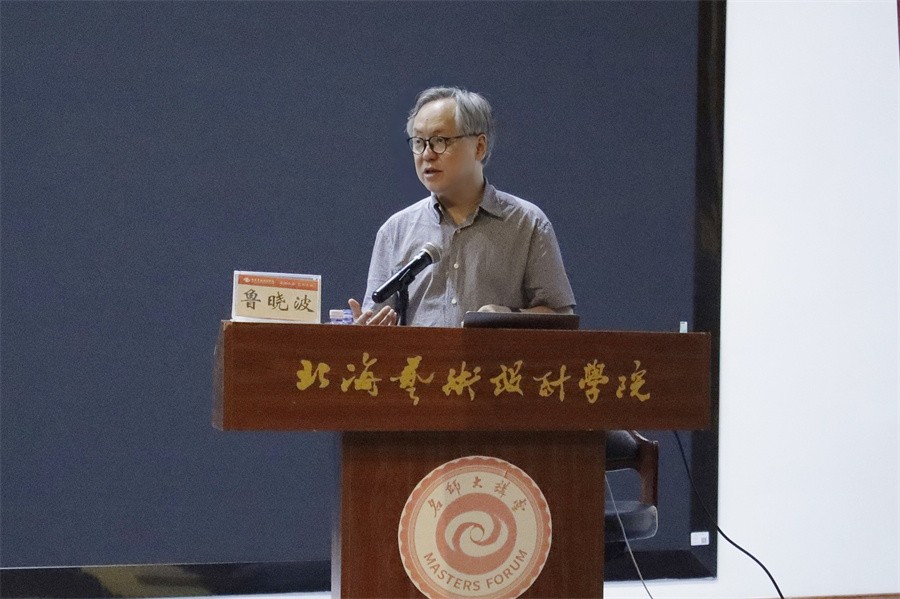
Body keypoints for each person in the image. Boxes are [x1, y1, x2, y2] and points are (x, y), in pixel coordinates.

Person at [348, 86, 575, 327]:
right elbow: (376, 324)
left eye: (440, 141)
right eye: (419, 142)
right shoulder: (396, 230)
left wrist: (506, 315)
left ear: (479, 147)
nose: (427, 154)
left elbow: (561, 317)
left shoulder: (527, 223)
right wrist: (365, 332)